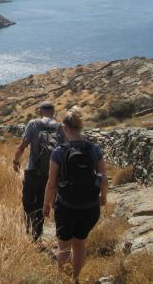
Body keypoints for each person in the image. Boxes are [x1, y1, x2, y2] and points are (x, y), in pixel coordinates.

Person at [43, 106, 108, 284]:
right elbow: (103, 176)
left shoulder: (58, 152)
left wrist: (46, 204)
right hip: (90, 207)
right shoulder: (94, 149)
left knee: (63, 246)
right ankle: (76, 279)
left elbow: (51, 183)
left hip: (66, 206)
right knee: (79, 244)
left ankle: (60, 278)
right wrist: (103, 196)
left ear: (65, 128)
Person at [13, 101, 64, 241]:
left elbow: (22, 146)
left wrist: (16, 161)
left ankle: (29, 231)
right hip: (50, 173)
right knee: (42, 202)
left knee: (28, 202)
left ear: (40, 111)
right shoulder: (60, 127)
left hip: (32, 170)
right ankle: (37, 234)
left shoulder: (33, 124)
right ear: (53, 112)